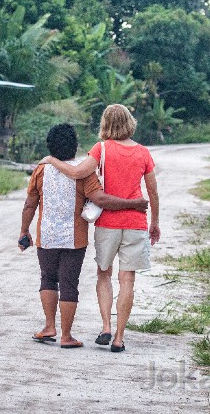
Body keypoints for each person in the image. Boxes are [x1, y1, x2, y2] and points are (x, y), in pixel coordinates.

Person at [41, 104, 159, 353]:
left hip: (108, 223)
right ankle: (118, 337)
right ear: (130, 122)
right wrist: (155, 222)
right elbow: (152, 192)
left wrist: (50, 160)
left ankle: (106, 326)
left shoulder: (101, 148)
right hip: (136, 223)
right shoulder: (143, 153)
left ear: (104, 123)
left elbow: (76, 172)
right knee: (127, 279)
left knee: (104, 273)